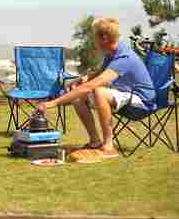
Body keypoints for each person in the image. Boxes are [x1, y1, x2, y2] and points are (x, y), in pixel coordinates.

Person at [38, 17, 155, 158]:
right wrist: (82, 79)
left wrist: (52, 103)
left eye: (95, 37)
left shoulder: (123, 57)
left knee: (99, 92)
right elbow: (100, 73)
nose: (94, 41)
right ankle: (95, 141)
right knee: (78, 97)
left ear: (104, 38)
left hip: (142, 102)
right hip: (126, 94)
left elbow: (93, 85)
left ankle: (108, 146)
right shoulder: (113, 52)